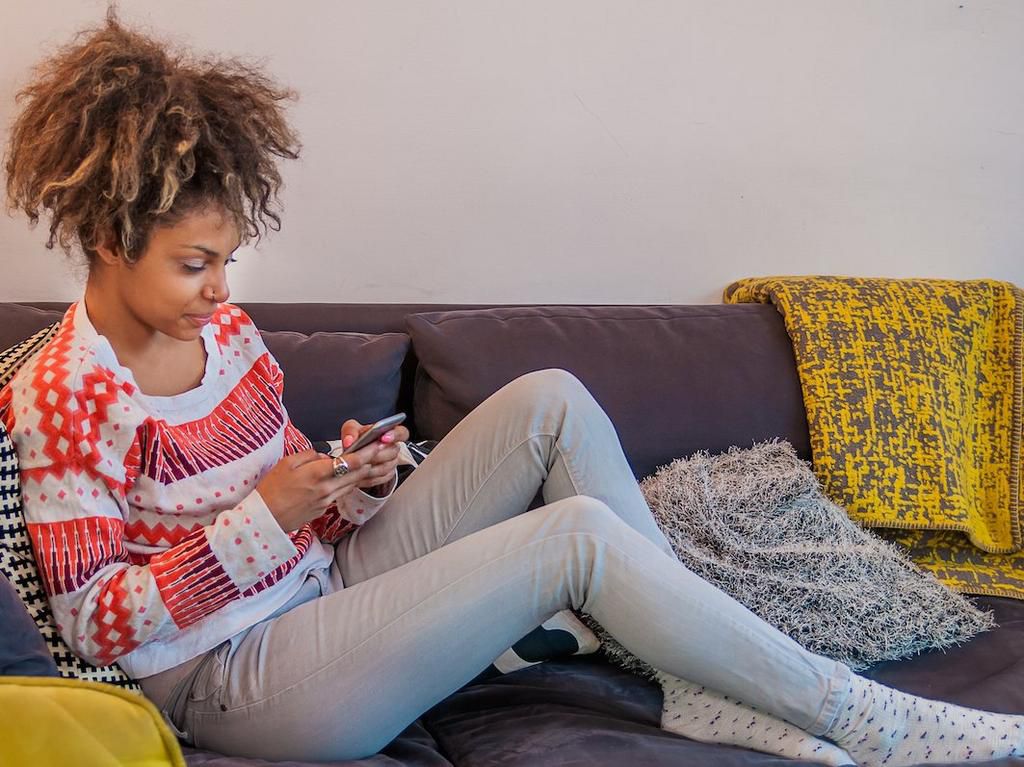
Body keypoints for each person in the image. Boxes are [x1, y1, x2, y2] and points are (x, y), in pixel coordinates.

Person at [3, 12, 1023, 766]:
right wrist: (264, 519)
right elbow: (99, 623)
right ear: (108, 237)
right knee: (572, 535)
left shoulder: (225, 334)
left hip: (320, 586)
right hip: (232, 679)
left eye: (227, 258)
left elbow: (286, 489)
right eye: (194, 263)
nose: (221, 289)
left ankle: (693, 679)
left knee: (550, 398)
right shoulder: (64, 395)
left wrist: (344, 479)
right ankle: (863, 716)